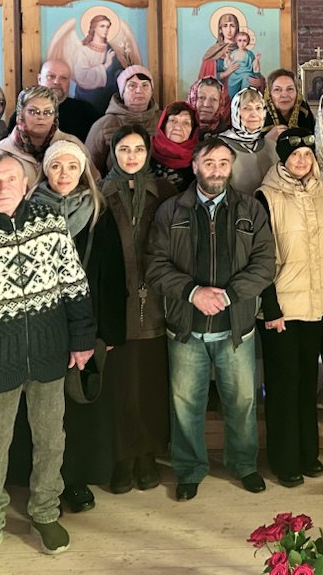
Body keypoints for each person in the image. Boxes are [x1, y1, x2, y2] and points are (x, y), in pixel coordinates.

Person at [0, 151, 96, 571]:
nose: (2, 187)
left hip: (49, 353)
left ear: (25, 185)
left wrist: (82, 339)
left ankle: (45, 512)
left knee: (51, 439)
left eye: (10, 179)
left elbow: (75, 284)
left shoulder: (49, 222)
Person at [147, 136, 276, 499]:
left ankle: (243, 464)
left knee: (242, 402)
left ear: (231, 166)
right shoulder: (171, 211)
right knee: (186, 403)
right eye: (209, 163)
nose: (216, 170)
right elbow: (155, 265)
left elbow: (265, 264)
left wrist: (229, 296)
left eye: (223, 163)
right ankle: (189, 469)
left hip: (236, 326)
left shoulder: (250, 209)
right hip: (186, 328)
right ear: (195, 166)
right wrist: (193, 293)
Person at [31, 139, 123, 515]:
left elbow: (113, 274)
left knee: (79, 406)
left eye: (72, 166)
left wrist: (109, 332)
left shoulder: (98, 211)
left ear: (83, 171)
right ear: (45, 171)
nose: (64, 174)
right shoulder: (28, 211)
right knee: (42, 411)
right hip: (41, 327)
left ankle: (75, 478)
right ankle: (42, 481)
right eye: (56, 166)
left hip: (87, 324)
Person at [98, 126, 177, 497]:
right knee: (120, 385)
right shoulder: (99, 194)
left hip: (156, 302)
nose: (131, 156)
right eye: (124, 149)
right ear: (113, 153)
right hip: (117, 303)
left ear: (148, 153)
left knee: (149, 383)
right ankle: (121, 457)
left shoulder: (164, 193)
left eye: (138, 149)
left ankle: (146, 455)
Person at [256, 128, 323, 487]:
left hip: (316, 304)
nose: (301, 161)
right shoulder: (266, 196)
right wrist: (270, 308)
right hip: (282, 307)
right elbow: (260, 257)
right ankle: (284, 460)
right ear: (283, 159)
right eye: (295, 155)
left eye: (307, 155)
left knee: (306, 383)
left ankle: (307, 453)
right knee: (283, 386)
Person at [0, 86, 91, 188]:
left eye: (48, 112)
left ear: (55, 115)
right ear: (21, 114)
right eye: (33, 111)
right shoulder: (2, 150)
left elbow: (91, 183)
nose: (41, 117)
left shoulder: (72, 145)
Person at [85, 65, 160, 173]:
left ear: (152, 91)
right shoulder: (103, 125)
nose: (139, 90)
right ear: (122, 92)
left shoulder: (164, 120)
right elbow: (90, 169)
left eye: (145, 85)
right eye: (132, 85)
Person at [220, 89, 279, 195]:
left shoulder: (271, 145)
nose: (254, 114)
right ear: (236, 111)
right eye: (247, 108)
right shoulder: (220, 146)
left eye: (258, 108)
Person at [36, 59, 101, 142]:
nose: (57, 82)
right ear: (39, 79)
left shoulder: (87, 112)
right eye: (51, 76)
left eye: (63, 78)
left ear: (69, 82)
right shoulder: (26, 111)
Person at [149, 101, 199, 191]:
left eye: (186, 123)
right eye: (173, 121)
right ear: (164, 124)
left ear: (192, 130)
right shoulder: (145, 151)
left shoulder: (199, 158)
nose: (178, 127)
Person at [263, 69, 315, 137]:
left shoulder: (305, 112)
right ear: (269, 94)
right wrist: (267, 139)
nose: (284, 95)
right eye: (277, 90)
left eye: (290, 89)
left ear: (297, 93)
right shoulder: (258, 116)